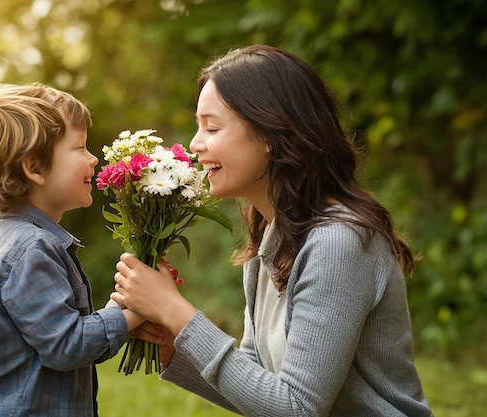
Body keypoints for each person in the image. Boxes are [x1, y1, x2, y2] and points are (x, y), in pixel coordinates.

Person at [111, 45, 433, 416]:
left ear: (269, 132)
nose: (195, 144)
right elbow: (261, 384)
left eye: (212, 127)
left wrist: (175, 310)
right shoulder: (273, 238)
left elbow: (296, 409)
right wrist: (173, 345)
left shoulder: (338, 242)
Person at [0, 83, 141, 416]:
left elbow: (64, 335)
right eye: (79, 147)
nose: (93, 158)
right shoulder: (30, 248)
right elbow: (67, 346)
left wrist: (120, 308)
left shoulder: (24, 237)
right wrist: (137, 314)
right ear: (35, 168)